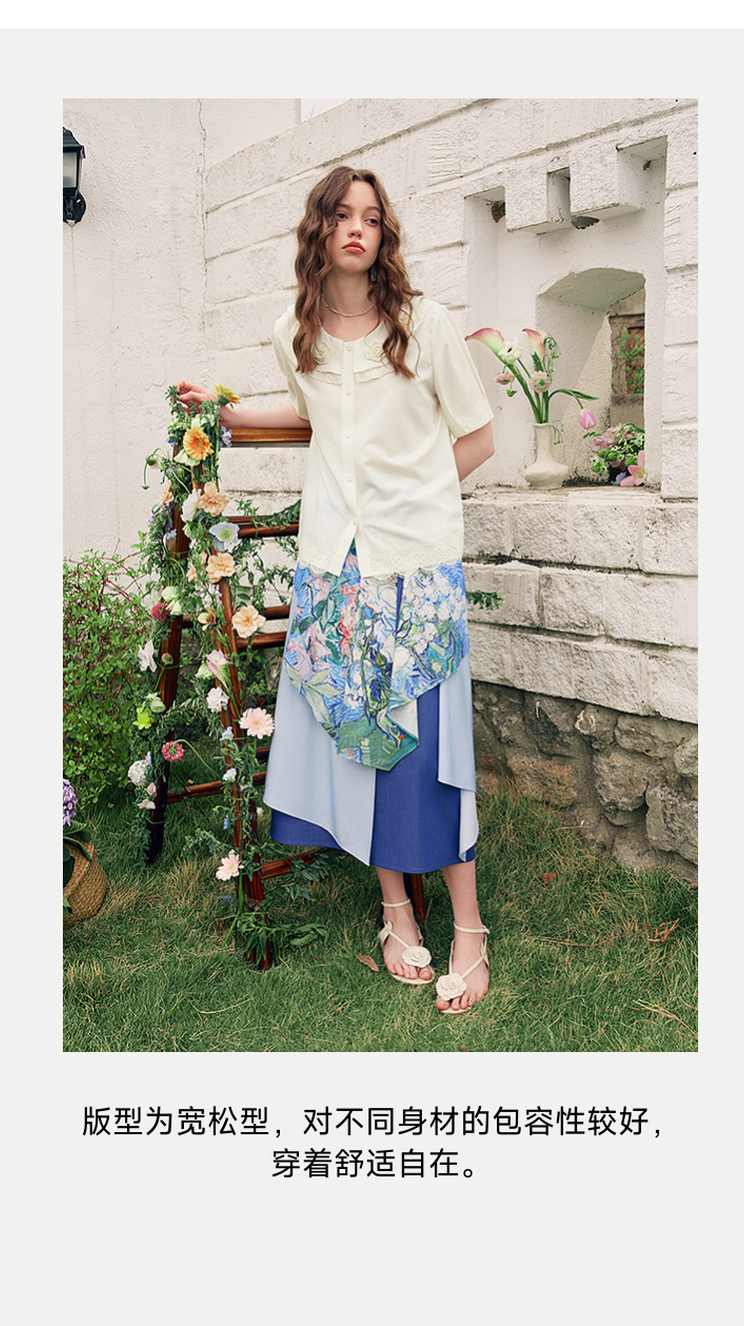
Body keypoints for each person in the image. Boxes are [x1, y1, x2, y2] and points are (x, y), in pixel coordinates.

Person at [177, 166, 495, 1013]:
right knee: (360, 740)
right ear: (319, 229)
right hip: (335, 568)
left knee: (430, 746)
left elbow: (478, 437)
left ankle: (469, 929)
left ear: (385, 236)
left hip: (417, 569)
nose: (358, 228)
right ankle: (396, 912)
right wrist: (222, 412)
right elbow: (318, 421)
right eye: (342, 215)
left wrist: (418, 503)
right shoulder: (295, 334)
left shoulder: (425, 325)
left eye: (372, 218)